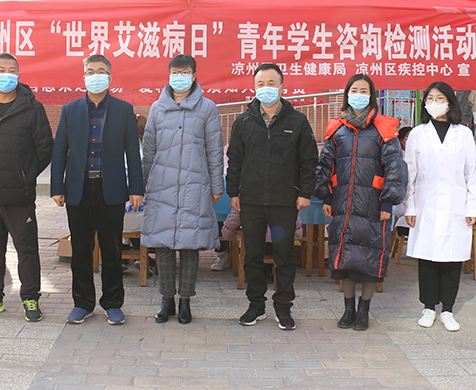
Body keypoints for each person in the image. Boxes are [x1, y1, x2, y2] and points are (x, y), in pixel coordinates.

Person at [51, 54, 143, 326]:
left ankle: (112, 304)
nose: (95, 76)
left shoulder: (123, 110)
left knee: (112, 250)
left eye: (101, 71)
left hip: (110, 189)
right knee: (81, 251)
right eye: (90, 71)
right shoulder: (70, 110)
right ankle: (83, 303)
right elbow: (60, 151)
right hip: (78, 190)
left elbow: (133, 153)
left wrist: (136, 188)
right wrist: (57, 186)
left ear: (110, 77)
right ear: (84, 77)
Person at [226, 63, 318, 330]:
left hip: (284, 202)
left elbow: (309, 160)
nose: (265, 88)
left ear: (281, 87)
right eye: (260, 84)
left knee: (284, 256)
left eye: (271, 83)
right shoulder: (243, 121)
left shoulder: (297, 121)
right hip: (251, 201)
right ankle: (255, 306)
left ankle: (283, 307)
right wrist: (234, 192)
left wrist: (304, 193)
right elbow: (234, 160)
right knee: (252, 256)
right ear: (254, 87)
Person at [0, 53, 53, 322]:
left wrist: (24, 176)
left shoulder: (32, 108)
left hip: (19, 195)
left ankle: (30, 298)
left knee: (26, 249)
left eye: (12, 70)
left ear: (19, 74)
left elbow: (44, 149)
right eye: (1, 69)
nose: (7, 74)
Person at [316, 73, 406, 331]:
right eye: (354, 90)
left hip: (373, 206)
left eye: (364, 90)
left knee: (369, 258)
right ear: (347, 94)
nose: (358, 94)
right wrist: (326, 196)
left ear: (372, 95)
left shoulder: (384, 128)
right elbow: (324, 165)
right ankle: (348, 309)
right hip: (342, 204)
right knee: (344, 258)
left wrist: (388, 203)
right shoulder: (337, 129)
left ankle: (364, 309)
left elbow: (395, 167)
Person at [141, 54, 224, 324]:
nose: (180, 77)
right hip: (162, 185)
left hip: (194, 184)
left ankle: (185, 301)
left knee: (190, 245)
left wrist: (216, 185)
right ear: (168, 75)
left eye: (185, 72)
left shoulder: (207, 108)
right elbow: (149, 149)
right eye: (175, 72)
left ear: (194, 75)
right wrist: (141, 185)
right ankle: (166, 300)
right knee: (163, 244)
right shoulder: (157, 108)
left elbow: (214, 149)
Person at [404, 82, 476, 332]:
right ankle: (428, 307)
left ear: (450, 102)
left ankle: (447, 309)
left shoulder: (464, 134)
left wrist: (472, 208)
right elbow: (410, 175)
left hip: (456, 206)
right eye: (430, 98)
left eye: (440, 98)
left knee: (451, 259)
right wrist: (410, 207)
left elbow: (472, 174)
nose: (434, 103)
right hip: (425, 206)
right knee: (427, 259)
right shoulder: (418, 134)